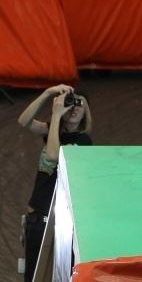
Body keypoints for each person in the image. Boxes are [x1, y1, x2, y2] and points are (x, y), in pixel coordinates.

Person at [18, 84, 92, 282]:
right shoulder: (52, 129)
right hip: (38, 213)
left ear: (86, 112)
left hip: (63, 219)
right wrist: (47, 93)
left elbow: (53, 155)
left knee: (61, 274)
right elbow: (24, 121)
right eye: (71, 103)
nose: (75, 108)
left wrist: (57, 115)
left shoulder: (83, 140)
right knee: (33, 273)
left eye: (80, 104)